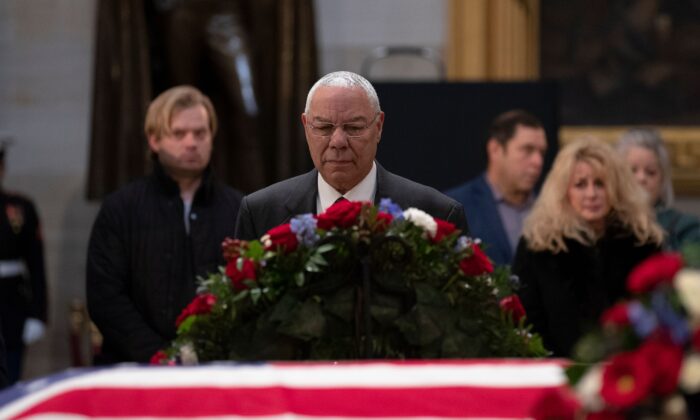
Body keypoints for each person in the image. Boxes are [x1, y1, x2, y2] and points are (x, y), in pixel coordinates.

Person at [87, 86, 243, 364]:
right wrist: (160, 356)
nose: (192, 143)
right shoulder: (121, 209)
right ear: (154, 140)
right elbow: (106, 297)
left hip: (217, 367)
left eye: (200, 133)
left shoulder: (238, 208)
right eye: (179, 134)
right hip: (135, 367)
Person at [235, 71, 468, 240]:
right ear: (306, 127)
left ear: (378, 127)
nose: (338, 142)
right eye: (324, 128)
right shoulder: (261, 213)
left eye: (354, 128)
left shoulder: (437, 214)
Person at [513, 138, 663, 357]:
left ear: (616, 188)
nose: (591, 194)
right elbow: (527, 322)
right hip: (559, 373)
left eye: (600, 184)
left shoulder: (644, 242)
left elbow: (660, 319)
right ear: (564, 191)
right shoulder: (538, 245)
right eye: (580, 184)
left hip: (628, 372)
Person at [445, 110, 547, 266]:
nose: (538, 161)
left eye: (542, 152)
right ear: (495, 149)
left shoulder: (552, 210)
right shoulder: (456, 206)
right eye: (527, 150)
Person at [0, 140, 48, 384]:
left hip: (10, 305)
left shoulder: (21, 207)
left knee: (9, 384)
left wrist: (38, 314)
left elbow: (36, 264)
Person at [617, 127, 700, 250]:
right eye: (632, 170)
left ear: (662, 180)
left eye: (650, 172)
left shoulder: (687, 229)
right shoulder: (601, 225)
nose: (641, 178)